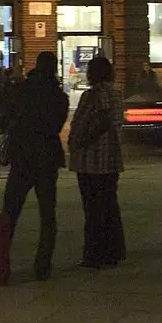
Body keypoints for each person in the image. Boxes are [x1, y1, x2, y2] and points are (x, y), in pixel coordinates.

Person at [1, 51, 69, 280]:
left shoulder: (21, 90)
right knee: (48, 214)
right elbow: (57, 126)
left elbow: (6, 118)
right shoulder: (59, 96)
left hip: (22, 157)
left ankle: (0, 260)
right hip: (47, 158)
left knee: (10, 212)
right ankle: (43, 265)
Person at [68, 55, 125, 269]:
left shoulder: (90, 96)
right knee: (110, 205)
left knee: (92, 209)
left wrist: (73, 144)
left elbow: (80, 125)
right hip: (111, 159)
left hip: (90, 161)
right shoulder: (117, 95)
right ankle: (115, 250)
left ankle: (95, 254)